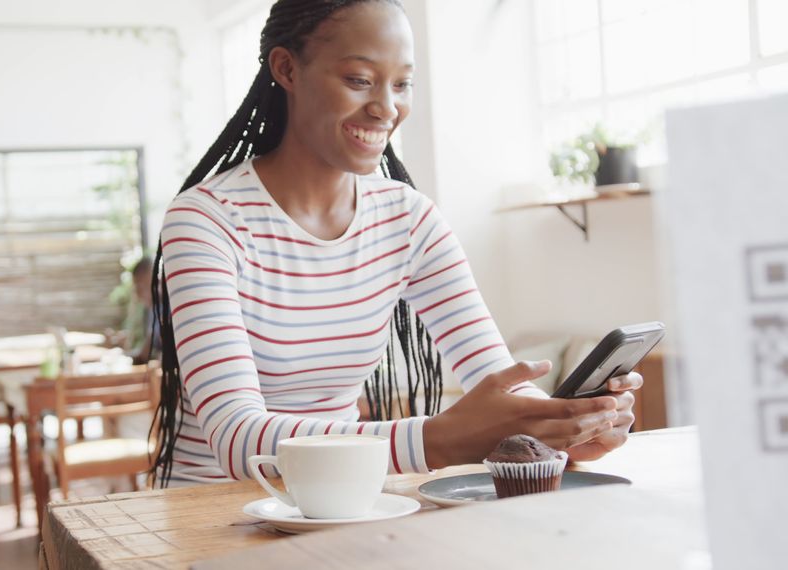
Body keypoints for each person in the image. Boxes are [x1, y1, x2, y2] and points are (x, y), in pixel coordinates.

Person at [150, 0, 641, 486]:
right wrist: (437, 439)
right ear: (287, 69)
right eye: (359, 80)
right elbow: (236, 439)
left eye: (402, 84)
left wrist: (569, 424)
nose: (387, 108)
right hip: (214, 511)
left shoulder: (408, 218)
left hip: (346, 499)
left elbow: (497, 374)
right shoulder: (207, 220)